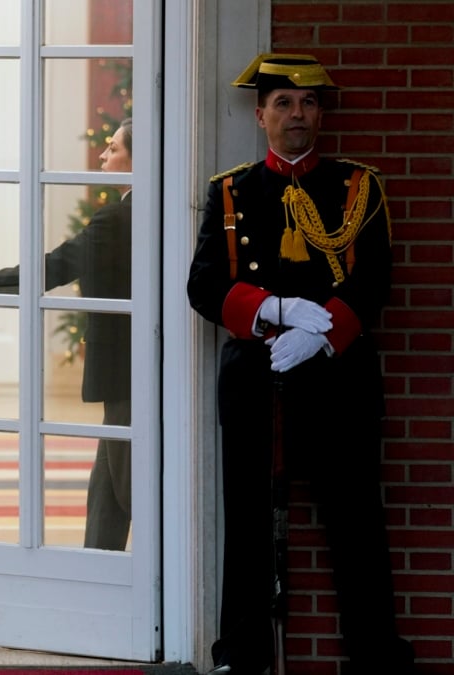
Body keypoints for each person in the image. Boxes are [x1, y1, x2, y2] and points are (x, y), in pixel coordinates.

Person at [186, 54, 416, 675]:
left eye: (309, 103)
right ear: (260, 114)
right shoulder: (230, 191)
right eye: (283, 103)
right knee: (248, 522)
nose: (297, 114)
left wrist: (324, 333)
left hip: (338, 378)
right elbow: (205, 285)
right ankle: (243, 652)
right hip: (257, 378)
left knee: (357, 522)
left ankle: (376, 656)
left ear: (321, 115)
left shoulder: (357, 186)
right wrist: (274, 309)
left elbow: (374, 279)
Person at [0, 118, 134, 552]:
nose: (102, 156)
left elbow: (55, 266)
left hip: (126, 372)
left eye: (113, 148)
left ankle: (126, 589)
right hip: (126, 371)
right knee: (106, 493)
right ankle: (96, 576)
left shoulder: (118, 218)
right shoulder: (139, 211)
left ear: (136, 158)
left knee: (126, 489)